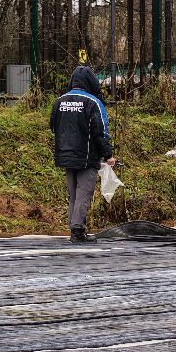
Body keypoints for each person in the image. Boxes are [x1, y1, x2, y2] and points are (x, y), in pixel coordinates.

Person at [50, 64, 114, 243]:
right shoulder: (93, 103)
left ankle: (74, 227)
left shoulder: (59, 101)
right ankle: (78, 232)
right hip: (87, 157)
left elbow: (54, 127)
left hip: (66, 156)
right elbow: (100, 132)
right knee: (84, 194)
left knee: (73, 195)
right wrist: (108, 155)